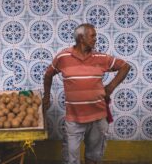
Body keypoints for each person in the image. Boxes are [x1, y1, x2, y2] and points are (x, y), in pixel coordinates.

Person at [43, 23, 130, 164]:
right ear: (81, 38)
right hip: (74, 118)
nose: (96, 38)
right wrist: (46, 96)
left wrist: (110, 87)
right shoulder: (63, 57)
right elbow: (48, 75)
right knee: (71, 158)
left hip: (98, 117)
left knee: (93, 156)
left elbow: (125, 66)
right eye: (93, 35)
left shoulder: (101, 58)